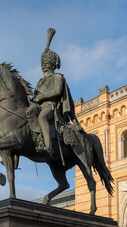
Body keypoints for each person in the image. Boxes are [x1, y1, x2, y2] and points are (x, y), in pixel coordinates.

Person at [33, 28, 83, 157]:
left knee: (42, 117)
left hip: (51, 107)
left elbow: (56, 91)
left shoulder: (58, 77)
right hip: (39, 106)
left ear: (53, 65)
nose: (44, 65)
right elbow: (35, 97)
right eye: (43, 63)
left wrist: (41, 97)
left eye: (47, 63)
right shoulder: (40, 81)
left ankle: (48, 147)